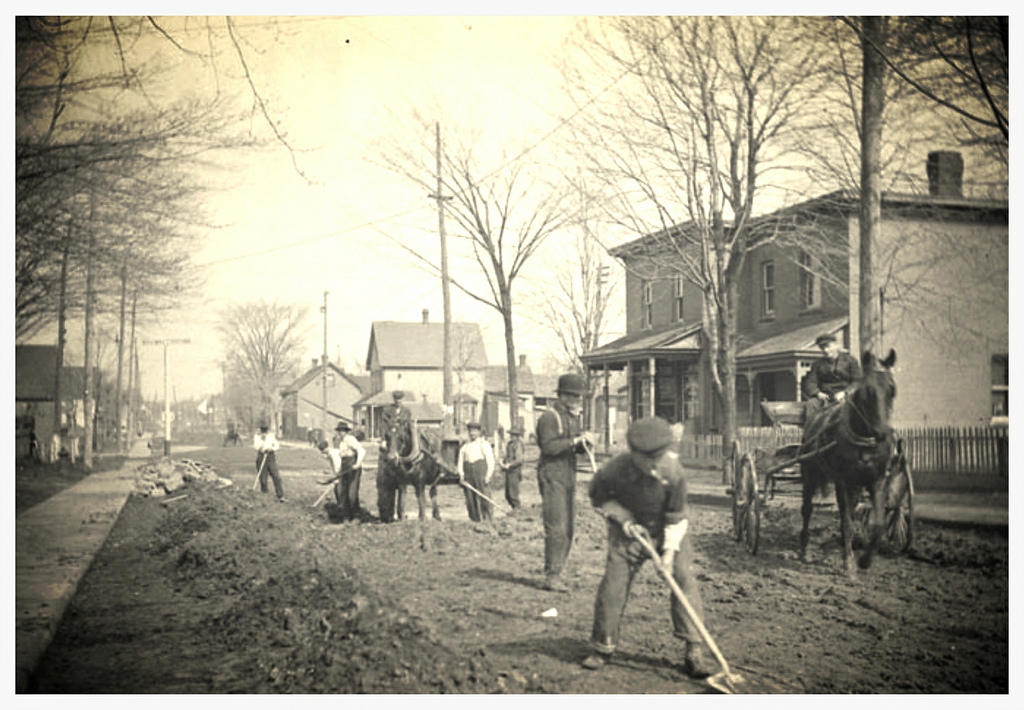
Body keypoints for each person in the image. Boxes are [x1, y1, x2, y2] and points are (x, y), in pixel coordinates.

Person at [581, 416, 715, 679]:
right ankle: (602, 646)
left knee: (684, 579)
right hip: (628, 532)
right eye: (648, 459)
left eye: (659, 457)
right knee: (613, 585)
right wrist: (624, 519)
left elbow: (677, 516)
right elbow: (599, 498)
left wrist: (668, 554)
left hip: (668, 531)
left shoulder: (674, 472)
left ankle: (694, 650)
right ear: (634, 454)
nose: (656, 464)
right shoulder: (613, 470)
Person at [535, 372, 592, 592]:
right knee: (556, 526)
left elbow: (572, 447)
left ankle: (559, 571)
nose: (579, 401)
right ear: (564, 396)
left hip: (568, 474)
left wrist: (584, 443)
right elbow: (548, 447)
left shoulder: (572, 417)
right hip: (552, 475)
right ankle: (552, 575)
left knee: (569, 527)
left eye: (580, 397)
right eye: (576, 396)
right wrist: (574, 441)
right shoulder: (550, 417)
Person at [802, 333, 862, 423]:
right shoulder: (817, 364)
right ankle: (812, 433)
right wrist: (818, 393)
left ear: (836, 345)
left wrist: (845, 393)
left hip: (846, 397)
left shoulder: (850, 361)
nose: (825, 350)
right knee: (811, 404)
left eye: (828, 346)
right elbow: (810, 382)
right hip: (825, 398)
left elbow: (857, 381)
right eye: (822, 348)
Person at [457, 421, 495, 522]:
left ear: (479, 432)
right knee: (470, 500)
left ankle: (488, 519)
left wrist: (488, 476)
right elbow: (460, 462)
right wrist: (461, 475)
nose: (472, 433)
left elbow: (490, 461)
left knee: (485, 498)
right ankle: (474, 520)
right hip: (469, 475)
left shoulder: (484, 444)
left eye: (474, 431)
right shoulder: (465, 447)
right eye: (470, 431)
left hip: (481, 474)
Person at [332, 420, 366, 521]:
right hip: (345, 467)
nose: (341, 432)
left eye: (343, 430)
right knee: (343, 492)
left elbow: (361, 450)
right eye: (339, 431)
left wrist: (358, 463)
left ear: (346, 431)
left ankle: (356, 516)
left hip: (353, 467)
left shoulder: (350, 439)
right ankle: (346, 516)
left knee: (352, 492)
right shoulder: (340, 442)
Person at [254, 421, 285, 502]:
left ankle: (280, 495)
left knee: (276, 476)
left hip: (270, 456)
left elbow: (277, 445)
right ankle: (265, 495)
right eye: (263, 430)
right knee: (263, 478)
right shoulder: (257, 437)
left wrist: (272, 449)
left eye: (265, 430)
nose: (264, 432)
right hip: (261, 456)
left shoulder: (271, 436)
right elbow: (256, 447)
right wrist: (262, 441)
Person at [500, 426, 525, 511]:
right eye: (511, 435)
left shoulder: (518, 445)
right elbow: (507, 457)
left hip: (515, 471)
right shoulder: (510, 444)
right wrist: (503, 462)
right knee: (507, 494)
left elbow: (519, 459)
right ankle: (514, 509)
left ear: (517, 436)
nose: (511, 437)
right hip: (509, 471)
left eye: (513, 435)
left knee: (513, 493)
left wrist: (510, 464)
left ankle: (517, 510)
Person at [380, 390, 412, 455]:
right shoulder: (387, 410)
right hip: (391, 435)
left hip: (403, 437)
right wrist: (383, 440)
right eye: (396, 400)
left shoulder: (407, 411)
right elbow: (383, 425)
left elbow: (408, 424)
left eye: (400, 399)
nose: (398, 401)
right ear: (394, 400)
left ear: (403, 399)